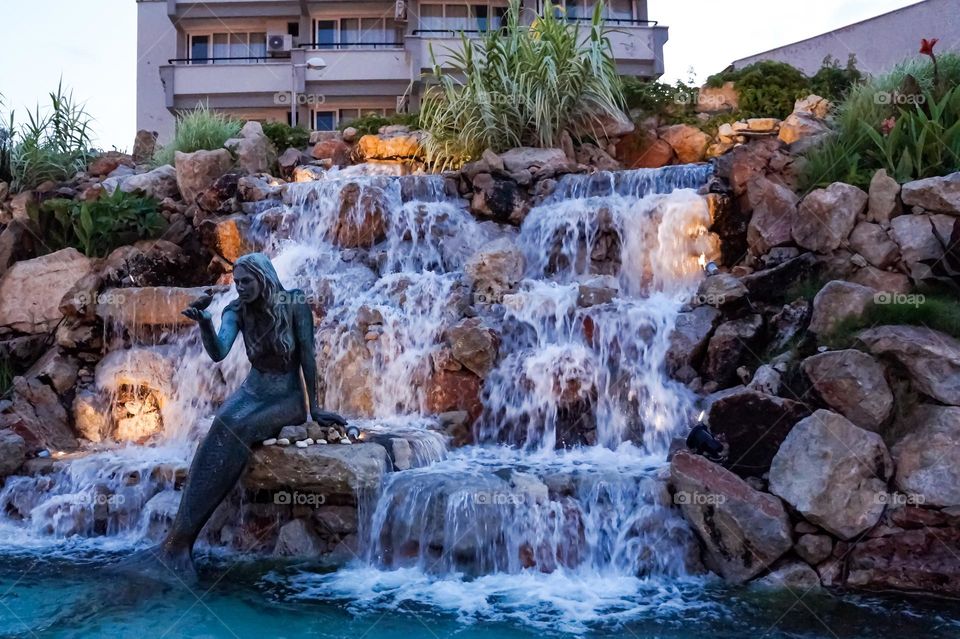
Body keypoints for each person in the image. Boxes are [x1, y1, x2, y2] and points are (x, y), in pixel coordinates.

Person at [117, 253, 346, 581]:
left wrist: (315, 409)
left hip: (286, 397)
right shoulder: (237, 310)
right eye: (236, 282)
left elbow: (308, 357)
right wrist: (204, 323)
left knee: (236, 426)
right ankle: (176, 542)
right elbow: (219, 351)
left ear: (264, 278)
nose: (240, 288)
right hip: (251, 390)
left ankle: (182, 542)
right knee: (220, 426)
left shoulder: (294, 303)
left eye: (246, 281)